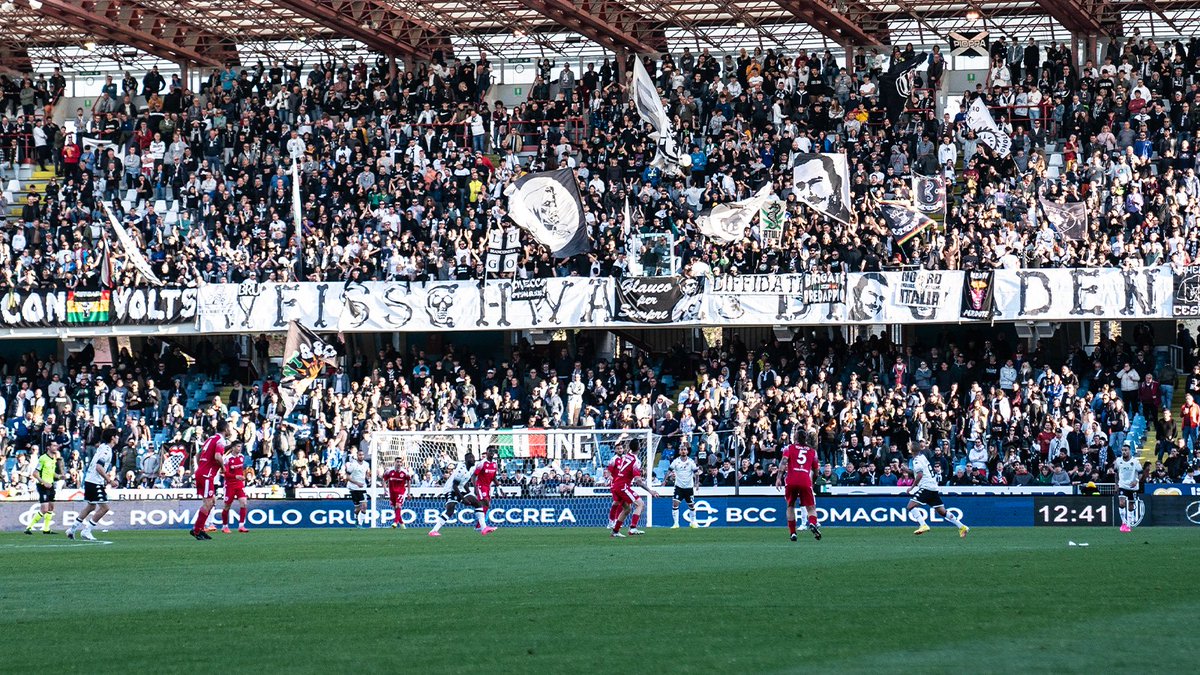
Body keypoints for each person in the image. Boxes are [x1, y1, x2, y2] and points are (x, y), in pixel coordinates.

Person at [67, 428, 120, 541]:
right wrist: (109, 480)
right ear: (112, 438)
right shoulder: (106, 450)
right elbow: (99, 467)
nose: (118, 438)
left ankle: (72, 529)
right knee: (104, 508)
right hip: (95, 482)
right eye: (116, 436)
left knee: (91, 506)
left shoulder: (102, 447)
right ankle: (87, 530)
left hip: (89, 480)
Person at [905, 444, 969, 537]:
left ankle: (923, 525)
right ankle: (962, 526)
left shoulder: (916, 460)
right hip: (933, 487)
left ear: (911, 450)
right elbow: (918, 472)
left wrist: (911, 487)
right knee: (941, 511)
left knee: (910, 506)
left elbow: (919, 475)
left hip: (926, 487)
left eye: (909, 446)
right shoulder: (922, 457)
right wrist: (906, 470)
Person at [428, 454, 494, 537]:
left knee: (478, 504)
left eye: (474, 458)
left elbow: (464, 482)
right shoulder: (461, 470)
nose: (473, 460)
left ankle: (484, 528)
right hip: (450, 490)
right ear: (466, 460)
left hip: (460, 488)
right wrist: (463, 499)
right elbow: (454, 486)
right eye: (471, 458)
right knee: (450, 510)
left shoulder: (471, 469)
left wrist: (469, 493)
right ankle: (433, 531)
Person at [190, 421, 230, 540]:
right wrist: (223, 468)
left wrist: (201, 467)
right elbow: (218, 456)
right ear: (226, 429)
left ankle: (200, 529)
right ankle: (197, 530)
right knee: (208, 503)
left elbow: (197, 455)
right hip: (207, 475)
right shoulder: (221, 440)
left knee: (212, 501)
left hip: (202, 473)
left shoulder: (210, 439)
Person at [775, 439, 821, 542]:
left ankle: (793, 533)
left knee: (790, 506)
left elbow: (783, 462)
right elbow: (816, 470)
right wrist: (813, 481)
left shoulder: (789, 448)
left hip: (791, 480)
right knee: (811, 507)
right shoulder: (813, 451)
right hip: (805, 480)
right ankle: (813, 522)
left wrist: (778, 478)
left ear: (796, 439)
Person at [607, 440, 651, 538]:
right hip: (623, 486)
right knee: (640, 504)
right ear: (639, 448)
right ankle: (633, 528)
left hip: (616, 485)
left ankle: (615, 531)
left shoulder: (626, 455)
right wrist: (650, 491)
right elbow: (638, 481)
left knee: (627, 509)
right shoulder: (636, 461)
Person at [26, 443, 63, 535]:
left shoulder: (53, 458)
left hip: (50, 485)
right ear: (48, 447)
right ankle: (29, 527)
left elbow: (51, 472)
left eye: (56, 445)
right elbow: (35, 473)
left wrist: (58, 476)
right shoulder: (43, 458)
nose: (56, 447)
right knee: (44, 509)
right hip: (42, 486)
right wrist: (43, 482)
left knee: (51, 507)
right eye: (54, 445)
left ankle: (46, 529)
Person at [220, 441, 249, 534]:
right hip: (229, 485)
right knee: (227, 505)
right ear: (232, 448)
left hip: (239, 484)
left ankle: (241, 526)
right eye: (237, 446)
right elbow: (225, 473)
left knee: (244, 503)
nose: (239, 448)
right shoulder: (227, 459)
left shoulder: (242, 457)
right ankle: (224, 526)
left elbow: (240, 470)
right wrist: (235, 476)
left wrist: (242, 476)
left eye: (240, 447)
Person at [669, 445, 701, 528]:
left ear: (687, 451)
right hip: (679, 487)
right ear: (679, 451)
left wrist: (697, 483)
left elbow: (696, 473)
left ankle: (693, 522)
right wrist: (664, 481)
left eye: (684, 449)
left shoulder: (691, 462)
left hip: (689, 487)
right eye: (681, 450)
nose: (683, 451)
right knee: (675, 504)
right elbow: (669, 470)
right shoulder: (676, 461)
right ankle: (676, 523)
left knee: (691, 505)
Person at [1114, 442, 1142, 532]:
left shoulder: (1135, 461)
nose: (1124, 452)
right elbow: (1116, 473)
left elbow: (1141, 473)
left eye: (1125, 450)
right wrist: (1116, 484)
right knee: (1121, 503)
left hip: (1133, 487)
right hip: (1122, 485)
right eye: (1122, 450)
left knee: (1130, 506)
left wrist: (1136, 481)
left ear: (1130, 451)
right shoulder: (1118, 461)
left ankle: (1129, 524)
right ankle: (1123, 523)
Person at [473, 448, 501, 532]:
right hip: (480, 486)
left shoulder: (495, 464)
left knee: (486, 506)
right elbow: (474, 476)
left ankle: (479, 526)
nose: (492, 453)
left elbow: (494, 477)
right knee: (485, 503)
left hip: (488, 487)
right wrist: (475, 488)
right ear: (487, 452)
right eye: (490, 451)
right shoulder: (482, 463)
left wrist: (500, 487)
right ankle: (482, 526)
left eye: (493, 451)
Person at [383, 456, 412, 529]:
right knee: (395, 509)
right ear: (394, 462)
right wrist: (385, 489)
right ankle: (402, 524)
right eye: (397, 462)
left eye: (400, 462)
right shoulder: (389, 471)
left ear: (402, 463)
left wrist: (408, 493)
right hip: (392, 492)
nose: (399, 463)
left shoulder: (405, 472)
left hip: (401, 492)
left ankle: (395, 523)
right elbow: (384, 479)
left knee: (398, 506)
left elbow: (409, 481)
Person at [344, 448, 369, 528]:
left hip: (362, 488)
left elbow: (366, 473)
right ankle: (356, 519)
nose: (361, 456)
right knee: (357, 508)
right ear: (357, 456)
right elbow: (347, 476)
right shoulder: (353, 465)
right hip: (353, 488)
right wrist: (357, 483)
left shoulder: (366, 464)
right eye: (359, 455)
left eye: (362, 455)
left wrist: (367, 477)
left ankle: (360, 524)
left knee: (364, 506)